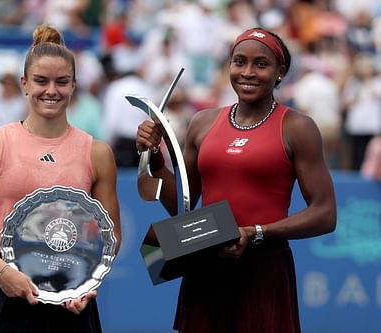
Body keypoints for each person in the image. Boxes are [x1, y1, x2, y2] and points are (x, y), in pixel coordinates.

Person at [136, 27, 336, 333]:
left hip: (265, 271)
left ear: (280, 72)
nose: (248, 72)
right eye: (239, 62)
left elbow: (325, 214)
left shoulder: (298, 127)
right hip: (205, 270)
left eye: (261, 64)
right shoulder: (203, 122)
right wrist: (157, 160)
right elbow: (182, 205)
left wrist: (256, 232)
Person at [0, 24, 121, 333]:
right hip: (6, 297)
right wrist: (2, 271)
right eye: (41, 81)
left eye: (61, 82)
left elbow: (109, 235)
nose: (51, 91)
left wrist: (85, 284)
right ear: (24, 83)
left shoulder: (97, 153)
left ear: (73, 85)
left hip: (72, 303)